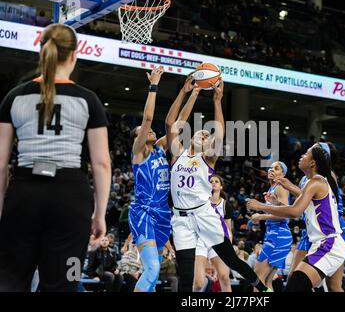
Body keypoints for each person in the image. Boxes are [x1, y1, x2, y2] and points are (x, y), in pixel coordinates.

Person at [0, 23, 110, 292]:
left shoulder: (14, 98)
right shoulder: (89, 100)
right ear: (74, 55)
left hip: (24, 194)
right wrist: (99, 214)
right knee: (63, 282)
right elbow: (101, 163)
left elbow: (0, 164)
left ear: (41, 53)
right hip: (71, 200)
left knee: (10, 279)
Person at [166, 77, 271, 292]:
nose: (204, 134)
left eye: (207, 136)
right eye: (201, 132)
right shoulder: (177, 154)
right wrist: (190, 93)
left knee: (231, 260)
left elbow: (220, 132)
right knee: (186, 275)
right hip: (180, 219)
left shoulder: (208, 158)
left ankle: (262, 288)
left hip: (204, 214)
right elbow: (170, 123)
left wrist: (217, 101)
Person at [128, 68, 200, 292]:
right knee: (150, 269)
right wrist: (154, 85)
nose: (149, 132)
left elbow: (178, 123)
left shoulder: (160, 149)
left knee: (155, 270)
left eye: (149, 131)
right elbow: (148, 118)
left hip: (162, 214)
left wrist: (191, 91)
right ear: (137, 136)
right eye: (144, 131)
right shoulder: (139, 151)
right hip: (143, 213)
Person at [247, 143, 345, 292]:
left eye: (306, 154)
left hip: (329, 243)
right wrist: (281, 196)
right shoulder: (313, 182)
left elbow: (294, 212)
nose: (301, 156)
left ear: (313, 162)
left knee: (299, 284)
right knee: (296, 284)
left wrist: (261, 206)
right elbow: (303, 202)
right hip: (320, 243)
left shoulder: (317, 182)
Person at [276, 142, 345, 292]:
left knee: (333, 287)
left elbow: (313, 202)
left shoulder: (327, 176)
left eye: (314, 148)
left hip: (331, 230)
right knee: (295, 278)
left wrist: (262, 207)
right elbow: (307, 200)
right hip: (312, 230)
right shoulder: (307, 179)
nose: (308, 150)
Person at [250, 161, 292, 291]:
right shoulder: (272, 189)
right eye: (271, 167)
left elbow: (285, 214)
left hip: (278, 234)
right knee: (267, 282)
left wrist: (260, 216)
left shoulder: (280, 187)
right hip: (275, 234)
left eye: (276, 168)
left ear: (283, 174)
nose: (271, 170)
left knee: (257, 278)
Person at [193, 174, 233, 292]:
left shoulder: (226, 205)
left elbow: (228, 229)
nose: (213, 183)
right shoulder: (200, 202)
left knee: (225, 278)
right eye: (211, 181)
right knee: (199, 283)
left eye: (216, 181)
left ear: (221, 187)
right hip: (201, 241)